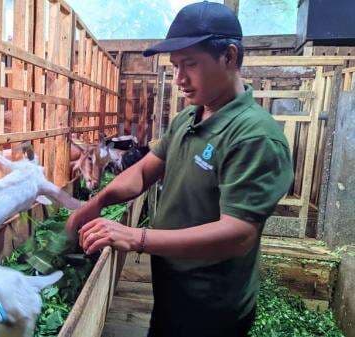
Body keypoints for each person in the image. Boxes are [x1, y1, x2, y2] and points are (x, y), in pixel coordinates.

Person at [65, 2, 294, 337]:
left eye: (190, 64)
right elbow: (144, 171)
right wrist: (97, 201)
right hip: (171, 287)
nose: (179, 79)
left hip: (211, 306)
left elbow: (238, 235)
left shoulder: (254, 137)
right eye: (175, 66)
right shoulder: (189, 118)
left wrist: (136, 236)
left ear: (229, 57)